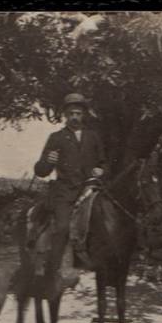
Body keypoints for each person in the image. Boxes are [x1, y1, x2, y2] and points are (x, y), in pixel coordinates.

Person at [31, 93, 107, 281]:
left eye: (78, 113)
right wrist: (48, 162)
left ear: (84, 115)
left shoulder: (93, 137)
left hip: (90, 189)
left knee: (104, 222)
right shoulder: (56, 138)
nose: (74, 117)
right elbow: (41, 170)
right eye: (71, 113)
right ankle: (53, 268)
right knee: (63, 227)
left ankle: (95, 263)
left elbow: (104, 162)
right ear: (65, 114)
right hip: (64, 191)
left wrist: (101, 170)